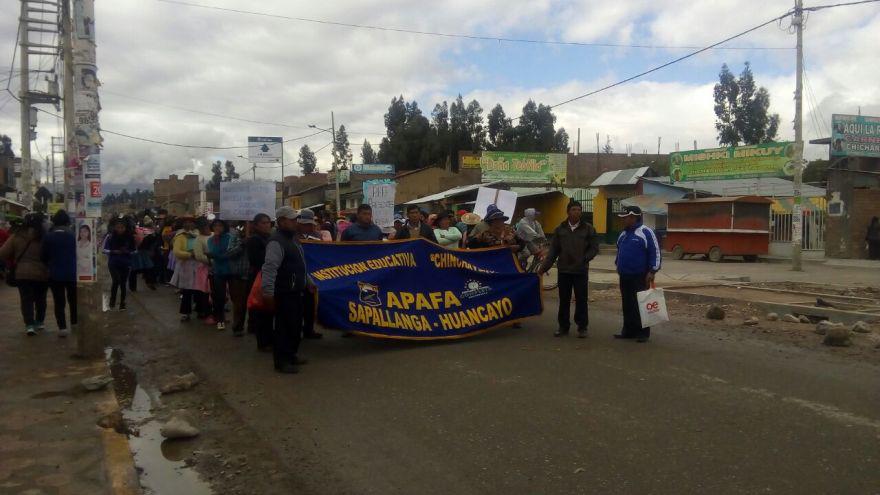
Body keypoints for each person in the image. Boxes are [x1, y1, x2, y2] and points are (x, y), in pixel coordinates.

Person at [262, 207, 313, 374]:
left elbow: (301, 265)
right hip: (284, 292)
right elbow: (270, 268)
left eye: (295, 219)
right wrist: (268, 293)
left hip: (297, 290)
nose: (295, 222)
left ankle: (291, 355)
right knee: (284, 328)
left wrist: (308, 281)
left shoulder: (293, 239)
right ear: (282, 221)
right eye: (291, 219)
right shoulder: (276, 242)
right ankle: (282, 361)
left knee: (295, 326)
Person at [539, 201, 599, 338]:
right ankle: (563, 326)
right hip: (564, 270)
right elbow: (553, 252)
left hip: (580, 271)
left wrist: (585, 259)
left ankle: (582, 327)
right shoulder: (560, 229)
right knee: (564, 300)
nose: (576, 212)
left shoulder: (588, 229)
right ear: (568, 212)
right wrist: (542, 269)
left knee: (581, 300)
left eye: (579, 210)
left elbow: (594, 248)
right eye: (573, 209)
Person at [614, 206, 661, 343]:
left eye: (626, 218)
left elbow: (655, 252)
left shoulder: (646, 232)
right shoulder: (623, 234)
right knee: (627, 304)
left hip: (640, 276)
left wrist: (652, 271)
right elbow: (619, 251)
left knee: (640, 304)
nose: (624, 220)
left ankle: (643, 333)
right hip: (624, 275)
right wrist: (618, 264)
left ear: (634, 217)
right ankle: (628, 331)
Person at [0, 213, 49, 335]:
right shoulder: (45, 237)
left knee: (26, 299)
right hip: (42, 273)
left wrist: (14, 258)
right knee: (41, 299)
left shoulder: (17, 236)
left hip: (22, 273)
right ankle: (40, 322)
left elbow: (3, 253)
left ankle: (29, 325)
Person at [41, 210, 77, 338]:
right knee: (73, 300)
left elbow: (43, 256)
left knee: (59, 302)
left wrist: (49, 264)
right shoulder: (73, 235)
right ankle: (74, 324)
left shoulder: (48, 236)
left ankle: (62, 328)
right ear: (67, 221)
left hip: (55, 274)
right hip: (72, 273)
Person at [171, 217, 210, 321]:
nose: (188, 224)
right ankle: (185, 313)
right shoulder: (180, 236)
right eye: (186, 222)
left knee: (200, 290)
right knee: (187, 292)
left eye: (191, 222)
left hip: (199, 266)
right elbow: (177, 252)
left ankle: (200, 310)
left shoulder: (200, 234)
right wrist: (189, 254)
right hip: (186, 267)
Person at [295, 209, 324, 339]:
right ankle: (295, 330)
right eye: (305, 224)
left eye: (310, 224)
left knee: (310, 303)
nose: (308, 226)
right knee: (297, 304)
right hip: (296, 274)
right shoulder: (293, 236)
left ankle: (308, 329)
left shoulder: (317, 236)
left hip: (314, 273)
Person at [247, 213, 274, 350]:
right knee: (261, 310)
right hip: (259, 277)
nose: (266, 225)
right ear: (256, 225)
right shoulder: (253, 240)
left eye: (268, 222)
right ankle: (263, 342)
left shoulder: (270, 238)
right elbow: (257, 260)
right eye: (263, 223)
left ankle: (269, 338)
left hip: (269, 276)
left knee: (269, 310)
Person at [102, 218, 135, 311]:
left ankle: (122, 303)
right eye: (118, 227)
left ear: (125, 228)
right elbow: (104, 250)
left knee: (123, 283)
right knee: (116, 280)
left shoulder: (130, 237)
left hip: (125, 263)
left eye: (122, 227)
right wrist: (113, 251)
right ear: (115, 227)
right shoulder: (110, 237)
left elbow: (134, 250)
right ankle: (112, 301)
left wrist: (127, 251)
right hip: (113, 262)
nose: (120, 229)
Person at [206, 219, 233, 331]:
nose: (217, 228)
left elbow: (229, 253)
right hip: (218, 271)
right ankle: (220, 319)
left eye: (220, 225)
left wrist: (215, 255)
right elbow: (214, 253)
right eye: (215, 225)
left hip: (231, 270)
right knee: (219, 296)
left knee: (235, 297)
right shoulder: (211, 240)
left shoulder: (230, 238)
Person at [224, 222, 250, 337]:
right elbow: (229, 253)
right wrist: (242, 245)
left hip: (255, 275)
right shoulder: (235, 237)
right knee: (239, 303)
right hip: (239, 276)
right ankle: (238, 326)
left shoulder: (259, 237)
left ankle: (253, 326)